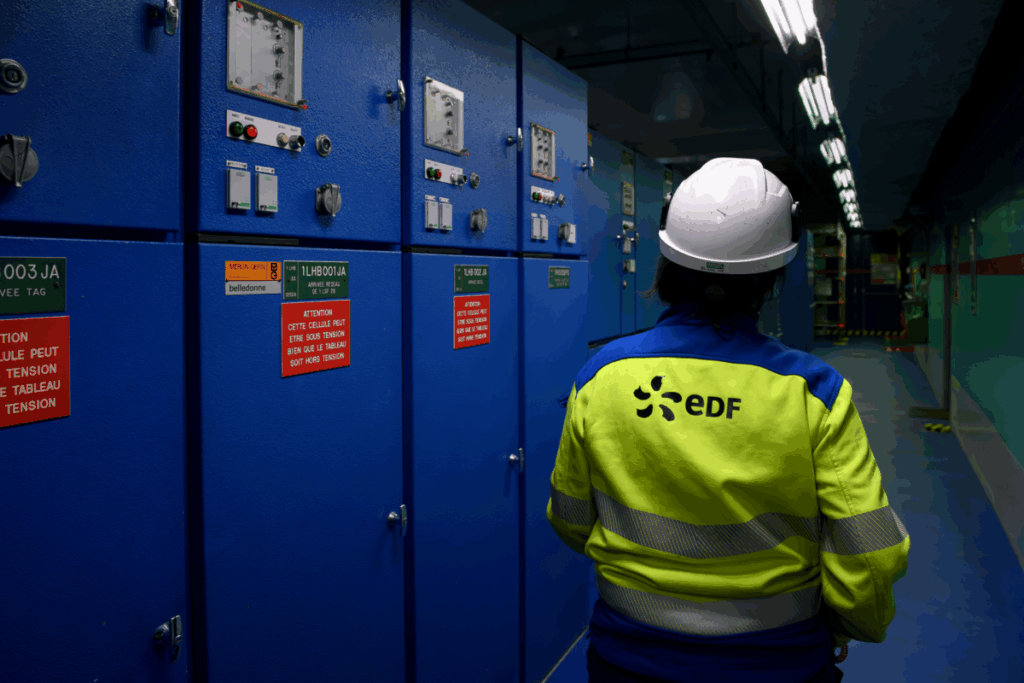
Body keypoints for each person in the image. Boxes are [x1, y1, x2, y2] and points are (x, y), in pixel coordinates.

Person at [548, 158, 910, 683]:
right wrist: (850, 625)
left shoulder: (602, 376)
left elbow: (570, 518)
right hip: (779, 664)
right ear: (773, 276)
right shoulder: (814, 392)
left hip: (627, 659)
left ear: (668, 258)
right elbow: (870, 552)